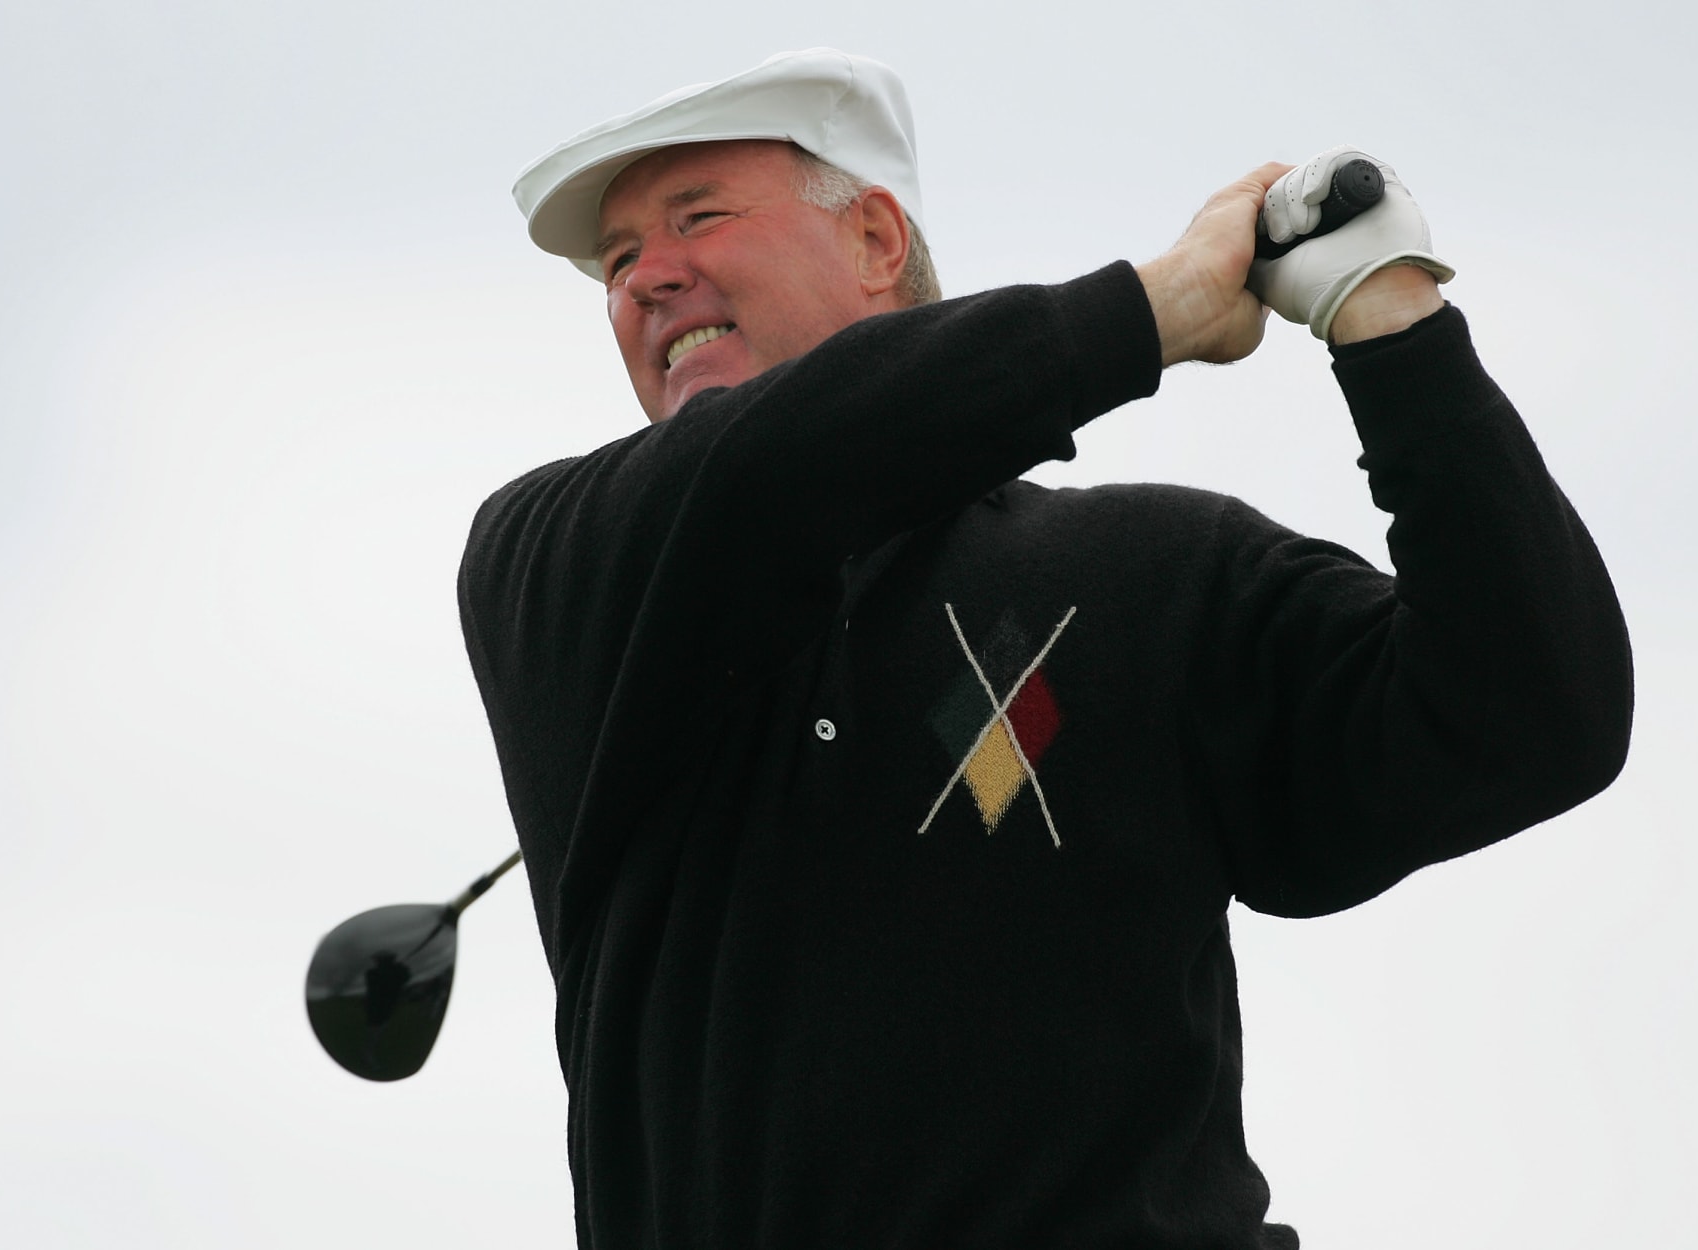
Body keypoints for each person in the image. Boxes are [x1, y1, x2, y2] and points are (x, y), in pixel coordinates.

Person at [458, 48, 1632, 1250]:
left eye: (694, 217)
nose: (646, 277)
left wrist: (1391, 325)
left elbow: (1532, 708)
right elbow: (772, 467)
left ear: (873, 241)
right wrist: (1151, 308)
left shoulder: (1150, 573)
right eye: (615, 261)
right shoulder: (556, 567)